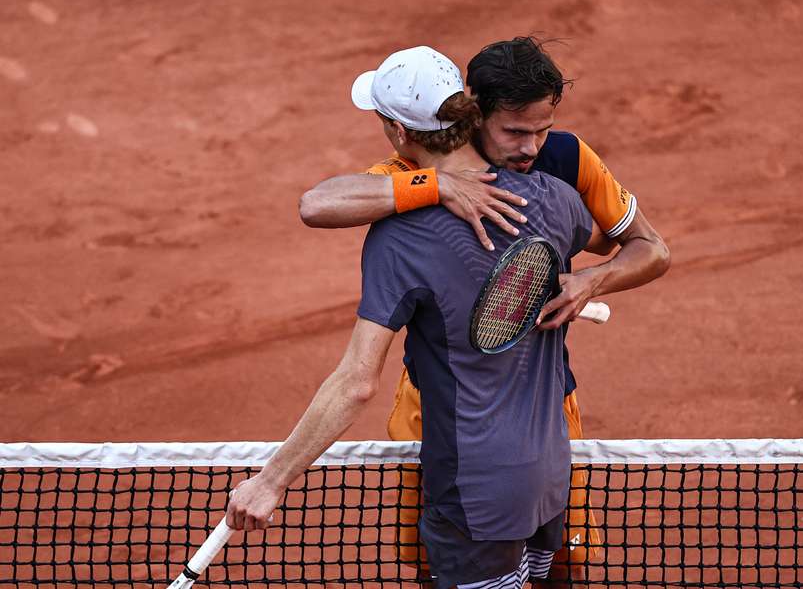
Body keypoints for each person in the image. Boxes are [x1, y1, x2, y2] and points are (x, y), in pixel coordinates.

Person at [228, 46, 612, 589]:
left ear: (396, 132)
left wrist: (271, 481)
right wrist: (592, 276)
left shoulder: (400, 236)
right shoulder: (556, 199)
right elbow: (619, 242)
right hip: (549, 478)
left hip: (472, 491)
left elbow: (357, 384)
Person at [298, 37, 670, 582]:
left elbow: (651, 248)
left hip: (545, 406)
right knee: (438, 560)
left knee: (562, 562)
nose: (532, 147)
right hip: (435, 408)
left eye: (542, 128)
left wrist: (594, 277)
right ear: (475, 112)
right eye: (515, 131)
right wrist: (438, 184)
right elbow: (319, 204)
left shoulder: (566, 160)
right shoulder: (417, 163)